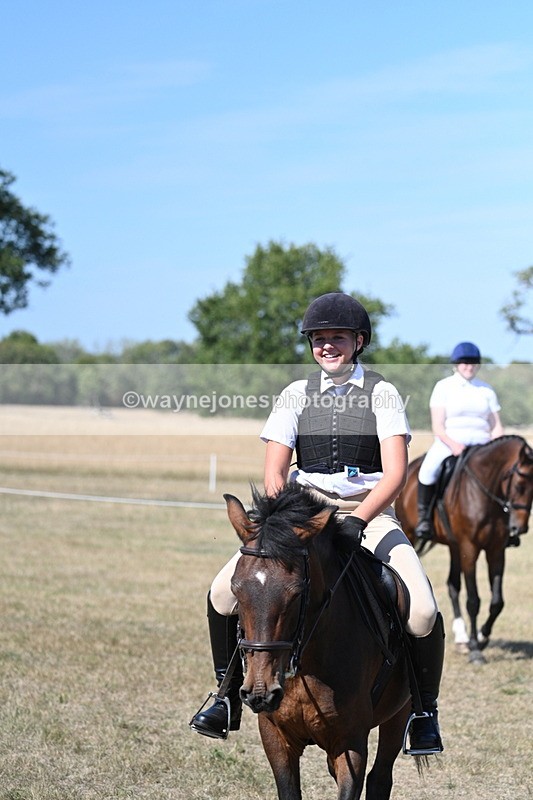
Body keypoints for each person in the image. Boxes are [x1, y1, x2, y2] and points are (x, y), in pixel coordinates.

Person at [190, 292, 444, 755]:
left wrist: (358, 521)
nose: (328, 346)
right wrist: (283, 518)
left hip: (367, 513)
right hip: (301, 515)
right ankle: (225, 696)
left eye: (338, 338)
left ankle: (424, 714)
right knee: (223, 592)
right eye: (319, 338)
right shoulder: (294, 394)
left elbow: (395, 474)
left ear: (358, 341)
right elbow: (273, 472)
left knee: (423, 611)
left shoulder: (382, 393)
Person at [414, 341, 504, 542]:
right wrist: (454, 445)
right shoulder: (444, 387)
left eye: (473, 363)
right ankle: (424, 519)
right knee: (427, 471)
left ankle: (506, 524)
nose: (469, 366)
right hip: (450, 443)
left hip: (483, 446)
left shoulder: (486, 390)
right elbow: (438, 426)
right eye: (464, 362)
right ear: (456, 364)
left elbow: (496, 425)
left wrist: (496, 446)